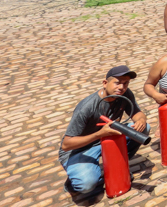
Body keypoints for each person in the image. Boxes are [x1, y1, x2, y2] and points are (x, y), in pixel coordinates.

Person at [60, 66, 149, 197]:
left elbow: (137, 113)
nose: (121, 87)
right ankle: (73, 183)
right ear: (105, 83)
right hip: (79, 149)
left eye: (125, 83)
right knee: (87, 184)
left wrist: (141, 120)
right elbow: (66, 145)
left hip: (106, 139)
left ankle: (117, 167)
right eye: (117, 82)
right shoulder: (87, 107)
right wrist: (99, 134)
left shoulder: (125, 94)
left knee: (144, 129)